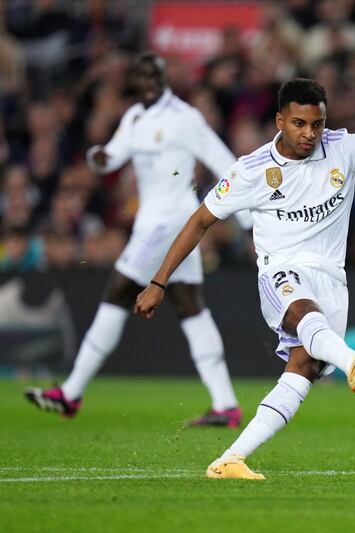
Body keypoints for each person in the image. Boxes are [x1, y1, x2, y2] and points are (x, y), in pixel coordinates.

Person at [133, 78, 355, 479]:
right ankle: (354, 360)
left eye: (317, 124)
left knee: (302, 368)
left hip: (332, 280)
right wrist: (159, 282)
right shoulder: (251, 171)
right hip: (281, 271)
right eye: (300, 124)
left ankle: (230, 459)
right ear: (280, 120)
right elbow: (199, 221)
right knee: (302, 312)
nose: (310, 134)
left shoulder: (344, 147)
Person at [25, 52, 252, 427]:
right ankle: (226, 404)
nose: (147, 80)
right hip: (165, 225)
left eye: (153, 74)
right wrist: (97, 157)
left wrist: (247, 220)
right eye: (141, 74)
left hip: (166, 224)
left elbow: (223, 161)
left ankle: (71, 393)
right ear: (135, 78)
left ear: (163, 78)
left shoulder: (185, 118)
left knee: (117, 292)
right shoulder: (134, 117)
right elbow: (111, 158)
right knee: (190, 305)